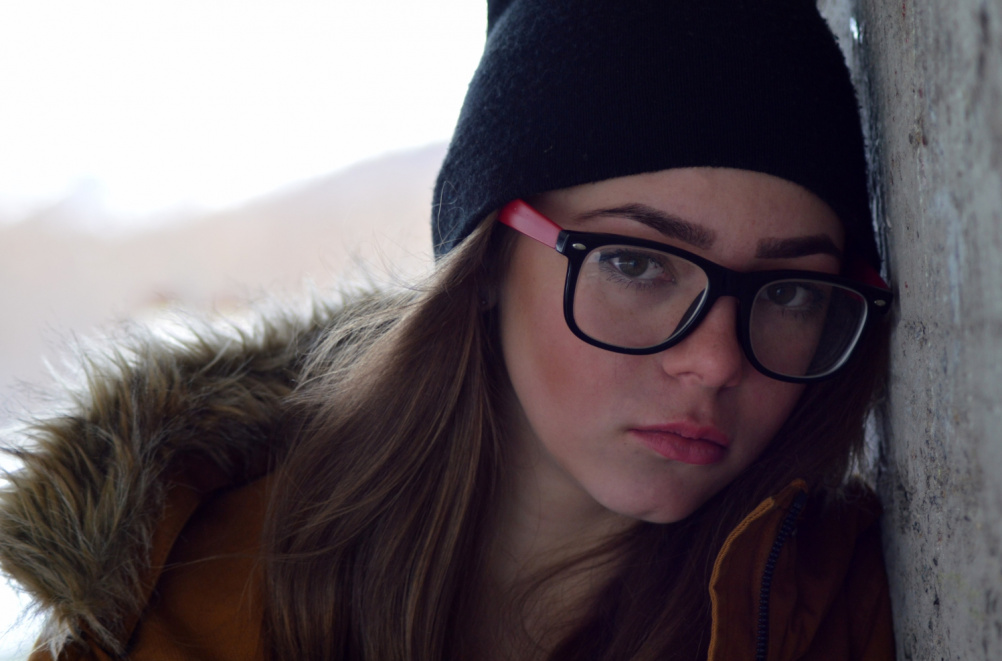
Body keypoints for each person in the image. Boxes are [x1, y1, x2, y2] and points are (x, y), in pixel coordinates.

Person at [0, 0, 896, 659]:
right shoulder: (164, 597)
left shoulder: (843, 616)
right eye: (635, 263)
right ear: (489, 264)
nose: (715, 359)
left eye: (789, 292)